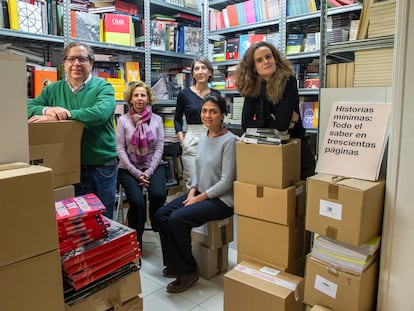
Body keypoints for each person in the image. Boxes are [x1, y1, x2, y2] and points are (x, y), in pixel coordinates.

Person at [155, 94, 237, 293]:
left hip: (221, 200)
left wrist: (198, 198)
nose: (207, 115)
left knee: (177, 219)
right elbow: (199, 173)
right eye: (204, 111)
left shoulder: (230, 140)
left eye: (213, 111)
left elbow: (226, 182)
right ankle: (175, 265)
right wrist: (192, 192)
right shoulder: (204, 136)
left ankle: (188, 271)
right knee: (161, 215)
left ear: (223, 115)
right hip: (200, 192)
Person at [27, 41, 118, 218]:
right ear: (65, 63)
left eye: (82, 59)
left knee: (103, 221)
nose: (76, 63)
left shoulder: (103, 87)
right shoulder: (53, 89)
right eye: (71, 59)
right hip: (64, 169)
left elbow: (100, 113)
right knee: (72, 223)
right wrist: (48, 110)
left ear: (91, 63)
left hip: (99, 167)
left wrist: (64, 114)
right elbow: (28, 107)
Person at [235, 41, 316, 180]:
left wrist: (263, 124)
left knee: (304, 194)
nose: (266, 61)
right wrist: (274, 120)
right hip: (267, 150)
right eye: (259, 60)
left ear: (275, 59)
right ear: (253, 67)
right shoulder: (252, 86)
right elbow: (245, 125)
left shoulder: (288, 80)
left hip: (295, 148)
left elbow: (282, 125)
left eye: (268, 57)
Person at [116, 81, 167, 252]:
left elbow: (159, 148)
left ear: (148, 98)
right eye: (136, 95)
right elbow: (120, 149)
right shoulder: (123, 121)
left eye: (143, 95)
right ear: (130, 99)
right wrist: (137, 173)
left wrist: (149, 171)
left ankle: (156, 223)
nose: (139, 98)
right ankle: (135, 243)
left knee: (158, 194)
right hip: (129, 168)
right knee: (137, 202)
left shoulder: (157, 120)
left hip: (152, 165)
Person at [174, 56, 221, 190]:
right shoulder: (184, 94)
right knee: (193, 180)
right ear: (193, 73)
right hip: (192, 137)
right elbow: (177, 119)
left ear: (210, 72)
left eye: (204, 68)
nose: (200, 71)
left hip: (212, 137)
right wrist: (182, 139)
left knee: (211, 180)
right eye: (197, 68)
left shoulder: (216, 94)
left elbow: (220, 118)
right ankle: (191, 209)